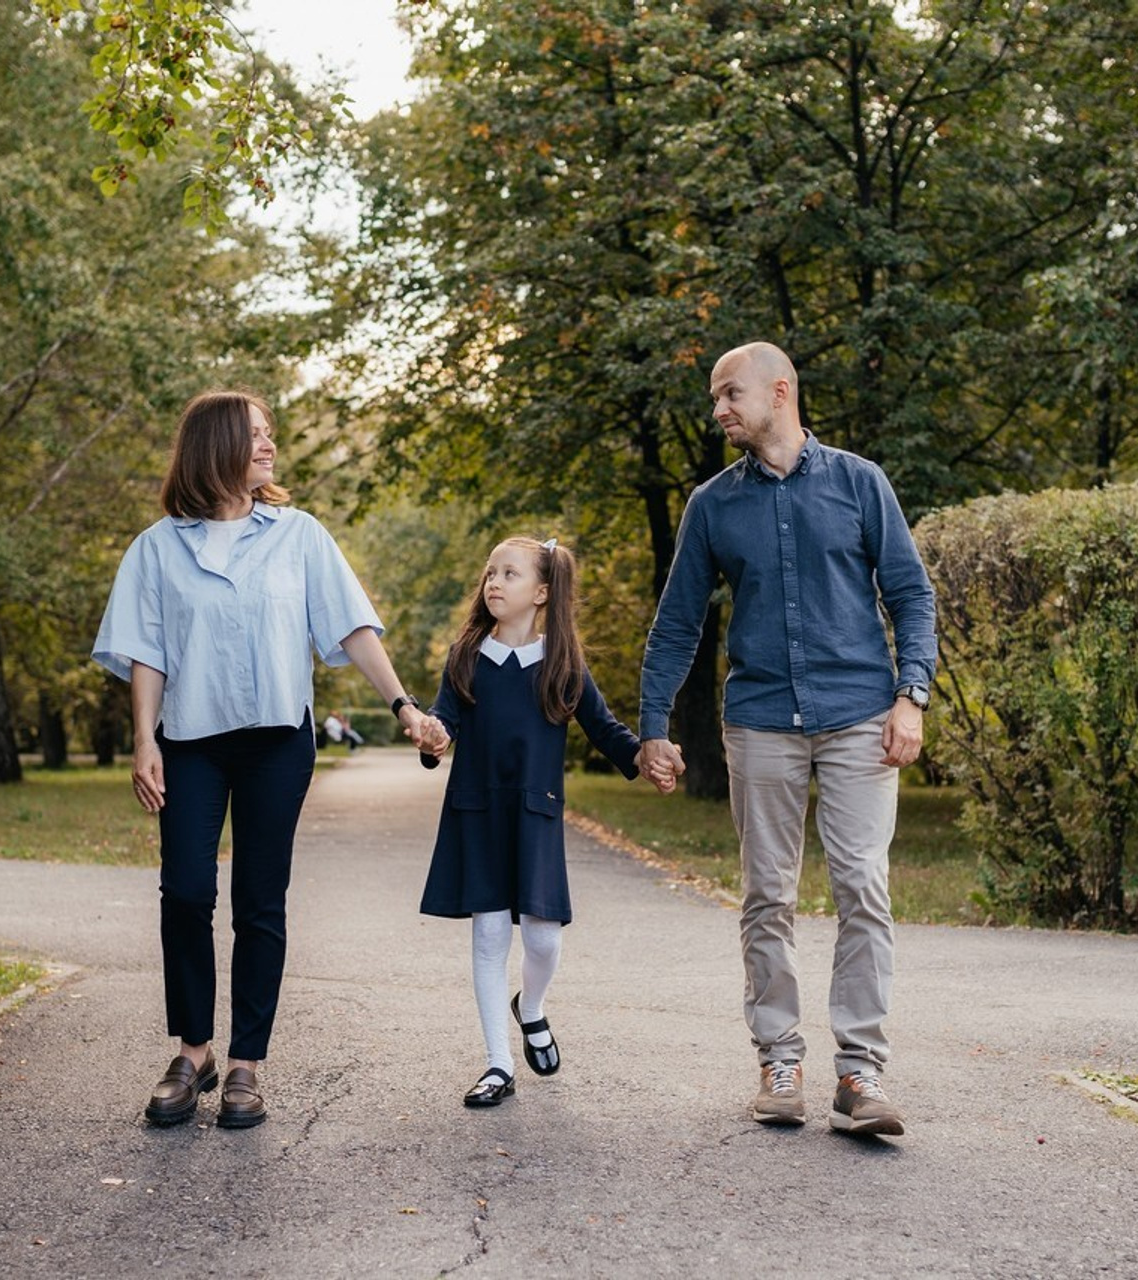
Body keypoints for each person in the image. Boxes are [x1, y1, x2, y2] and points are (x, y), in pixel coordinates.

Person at [92, 389, 445, 1130]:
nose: (269, 446)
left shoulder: (300, 536)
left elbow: (351, 628)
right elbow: (147, 652)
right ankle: (194, 1051)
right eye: (254, 435)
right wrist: (143, 738)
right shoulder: (158, 548)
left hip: (278, 742)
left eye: (270, 435)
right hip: (190, 742)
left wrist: (404, 705)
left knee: (260, 898)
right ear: (213, 446)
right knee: (186, 892)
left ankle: (247, 1063)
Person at [638, 342, 936, 1137]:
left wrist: (912, 698)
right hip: (762, 717)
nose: (719, 411)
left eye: (729, 395)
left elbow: (910, 593)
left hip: (859, 716)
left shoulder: (859, 482)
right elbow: (677, 624)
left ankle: (860, 1074)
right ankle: (779, 1059)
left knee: (862, 890)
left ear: (780, 391)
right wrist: (652, 727)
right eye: (713, 399)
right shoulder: (712, 504)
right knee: (766, 894)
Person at [418, 537, 676, 1108]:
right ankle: (498, 1063)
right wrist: (434, 737)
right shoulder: (466, 656)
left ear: (540, 593)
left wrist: (645, 758)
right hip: (478, 809)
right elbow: (443, 721)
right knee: (487, 933)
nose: (493, 582)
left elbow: (607, 732)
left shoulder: (563, 665)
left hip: (536, 812)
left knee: (542, 936)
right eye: (490, 572)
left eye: (509, 573)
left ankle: (530, 1007)